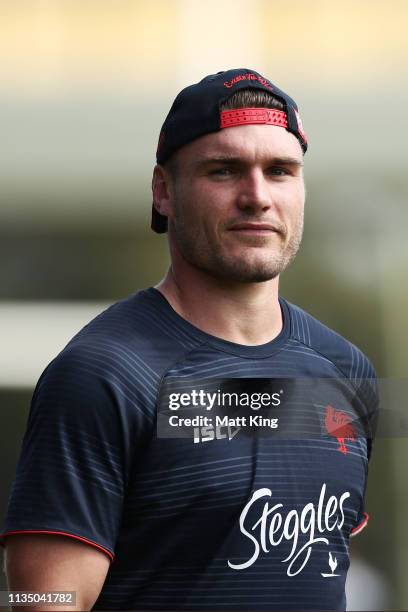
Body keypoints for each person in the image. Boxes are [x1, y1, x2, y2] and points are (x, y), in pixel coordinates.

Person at [1, 68, 378, 611]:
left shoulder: (345, 369)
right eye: (224, 170)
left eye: (280, 170)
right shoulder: (104, 375)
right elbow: (44, 599)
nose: (257, 196)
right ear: (163, 192)